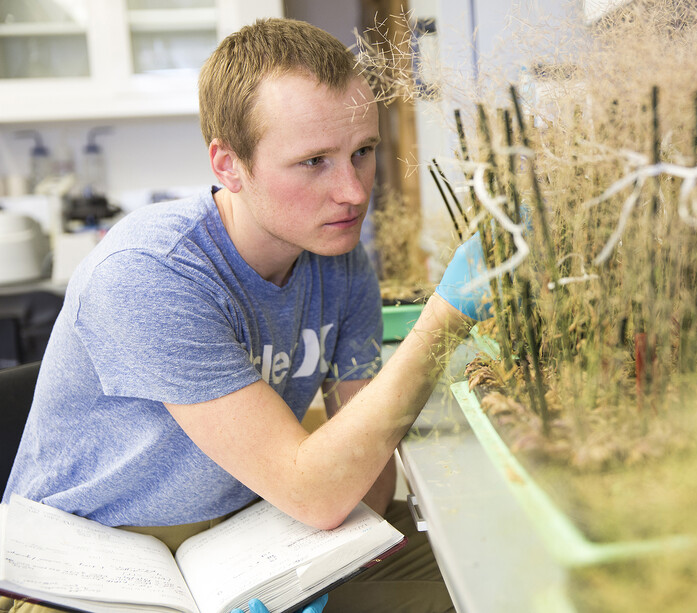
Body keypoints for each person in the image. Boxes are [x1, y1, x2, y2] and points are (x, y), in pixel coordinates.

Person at [2, 17, 490, 613]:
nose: (355, 192)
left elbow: (367, 473)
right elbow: (315, 488)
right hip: (85, 571)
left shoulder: (338, 260)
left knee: (477, 579)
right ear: (228, 165)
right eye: (313, 162)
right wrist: (443, 318)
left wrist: (318, 567)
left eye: (362, 152)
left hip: (240, 539)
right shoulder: (152, 270)